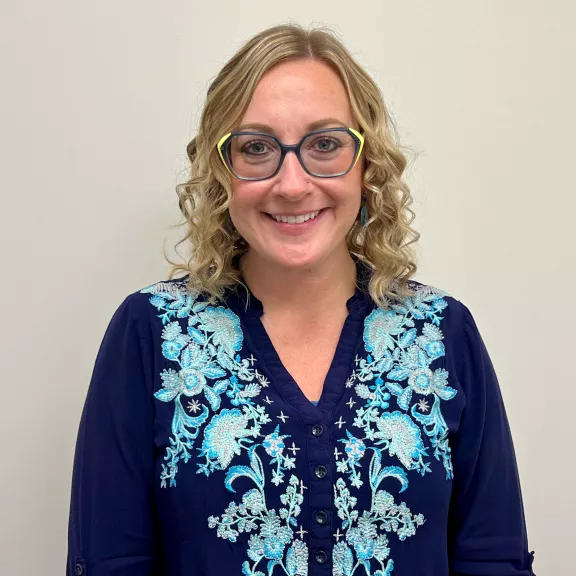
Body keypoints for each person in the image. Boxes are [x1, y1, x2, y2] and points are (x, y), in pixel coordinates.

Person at [66, 23, 536, 576]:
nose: (292, 184)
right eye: (257, 148)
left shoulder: (441, 334)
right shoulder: (152, 334)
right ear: (223, 172)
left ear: (368, 163)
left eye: (326, 144)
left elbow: (493, 560)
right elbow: (109, 562)